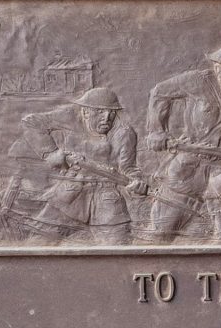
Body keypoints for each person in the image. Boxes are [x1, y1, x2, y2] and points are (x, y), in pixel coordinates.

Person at [145, 44, 221, 240]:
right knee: (160, 234)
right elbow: (159, 92)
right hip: (189, 168)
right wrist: (156, 131)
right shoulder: (198, 81)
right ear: (218, 67)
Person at [18, 87, 147, 243]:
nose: (107, 117)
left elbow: (128, 168)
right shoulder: (70, 116)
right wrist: (50, 153)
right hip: (70, 193)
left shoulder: (125, 133)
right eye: (99, 111)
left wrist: (136, 182)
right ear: (86, 111)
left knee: (118, 250)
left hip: (107, 199)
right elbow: (31, 122)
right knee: (38, 243)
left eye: (111, 112)